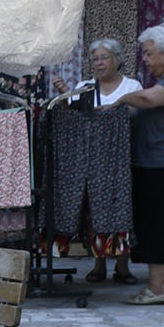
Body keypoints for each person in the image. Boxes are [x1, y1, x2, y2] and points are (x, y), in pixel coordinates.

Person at [114, 23, 164, 305]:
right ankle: (156, 285)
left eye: (149, 54)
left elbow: (149, 99)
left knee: (156, 223)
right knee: (150, 222)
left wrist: (120, 97)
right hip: (154, 164)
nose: (145, 60)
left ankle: (160, 289)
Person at [56, 39, 143, 283]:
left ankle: (123, 267)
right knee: (94, 211)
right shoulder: (84, 87)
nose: (99, 63)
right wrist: (66, 94)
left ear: (117, 59)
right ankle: (99, 264)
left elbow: (135, 115)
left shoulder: (131, 86)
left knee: (120, 208)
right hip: (89, 162)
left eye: (104, 57)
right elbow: (74, 119)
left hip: (119, 161)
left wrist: (118, 108)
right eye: (95, 59)